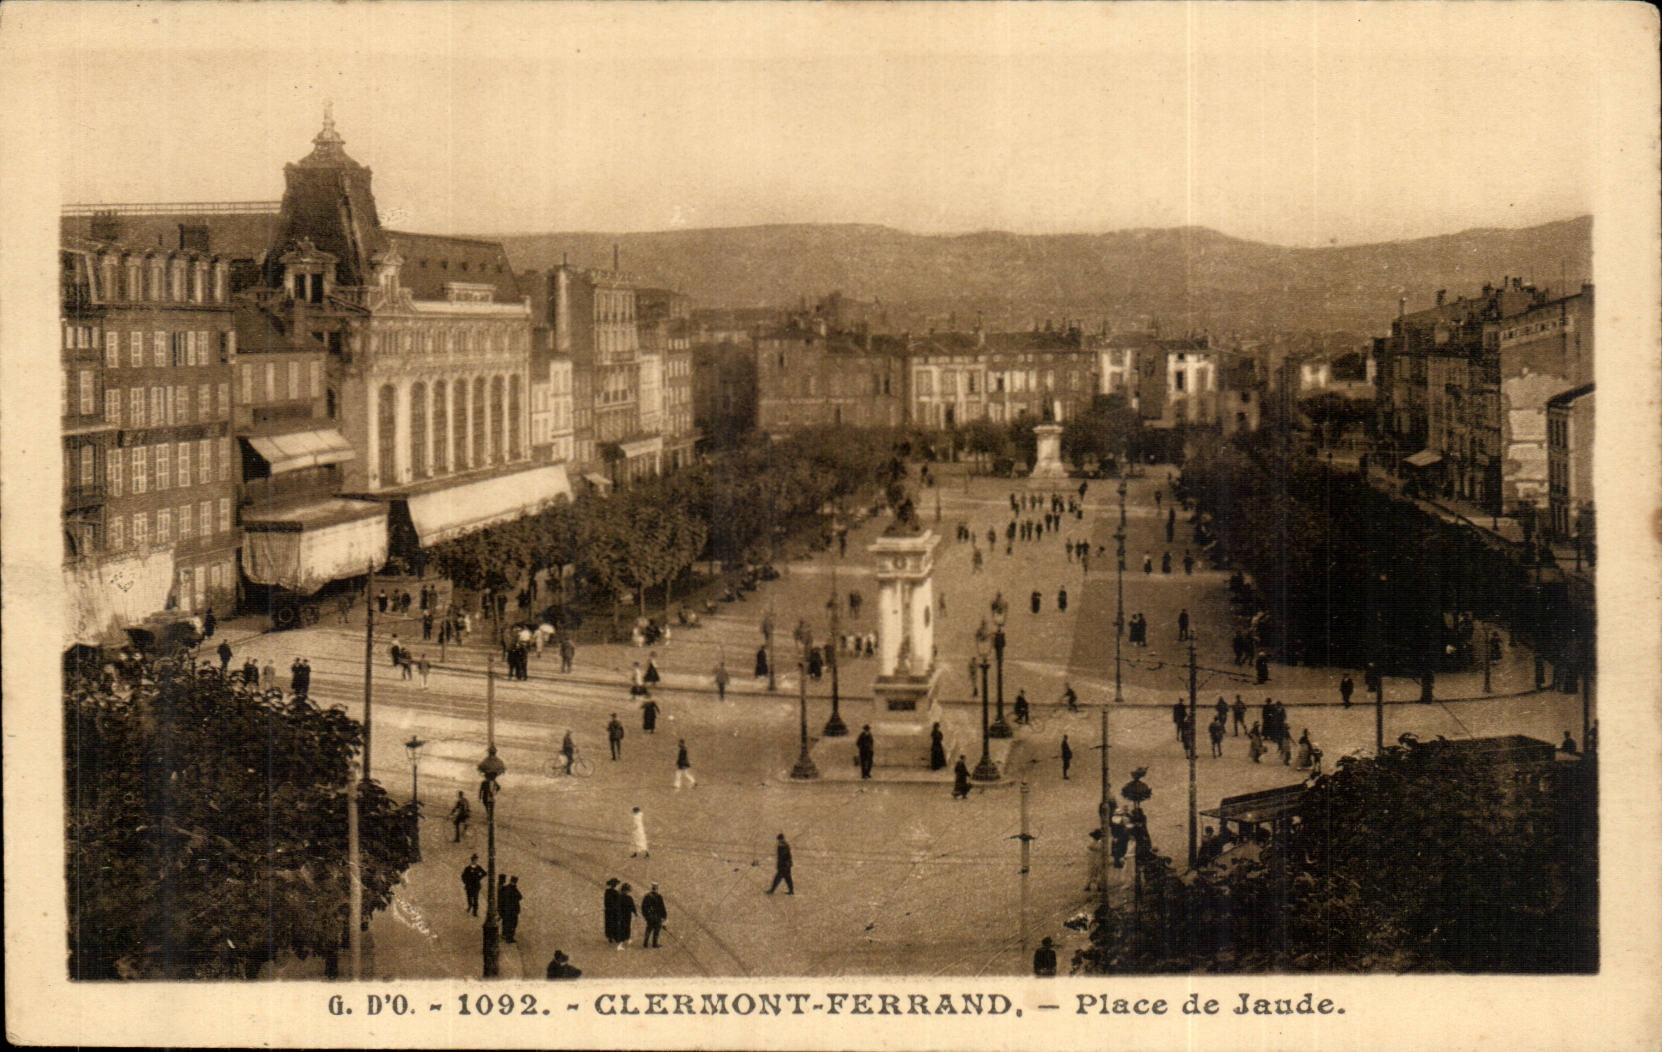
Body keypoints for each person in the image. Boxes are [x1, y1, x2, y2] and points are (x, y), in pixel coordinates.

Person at [640, 884, 667, 948]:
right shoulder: (659, 896)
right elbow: (662, 907)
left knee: (649, 929)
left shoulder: (647, 896)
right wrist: (664, 915)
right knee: (656, 930)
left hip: (650, 916)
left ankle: (645, 943)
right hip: (657, 916)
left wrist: (645, 915)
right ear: (657, 889)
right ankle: (655, 944)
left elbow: (643, 907)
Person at [499, 876, 522, 944]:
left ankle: (505, 935)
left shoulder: (505, 888)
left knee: (506, 923)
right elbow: (520, 897)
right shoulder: (513, 889)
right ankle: (509, 938)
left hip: (506, 910)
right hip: (512, 910)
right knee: (512, 924)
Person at [615, 883, 638, 949]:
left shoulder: (619, 897)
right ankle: (622, 942)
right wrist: (635, 912)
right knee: (626, 927)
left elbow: (616, 907)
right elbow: (632, 906)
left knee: (624, 927)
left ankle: (626, 939)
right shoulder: (629, 898)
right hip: (626, 915)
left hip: (622, 915)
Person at [603, 879, 621, 944]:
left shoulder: (607, 892)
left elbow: (606, 902)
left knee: (609, 924)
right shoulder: (615, 893)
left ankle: (610, 936)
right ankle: (614, 937)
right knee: (615, 924)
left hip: (608, 911)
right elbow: (618, 902)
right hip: (614, 911)